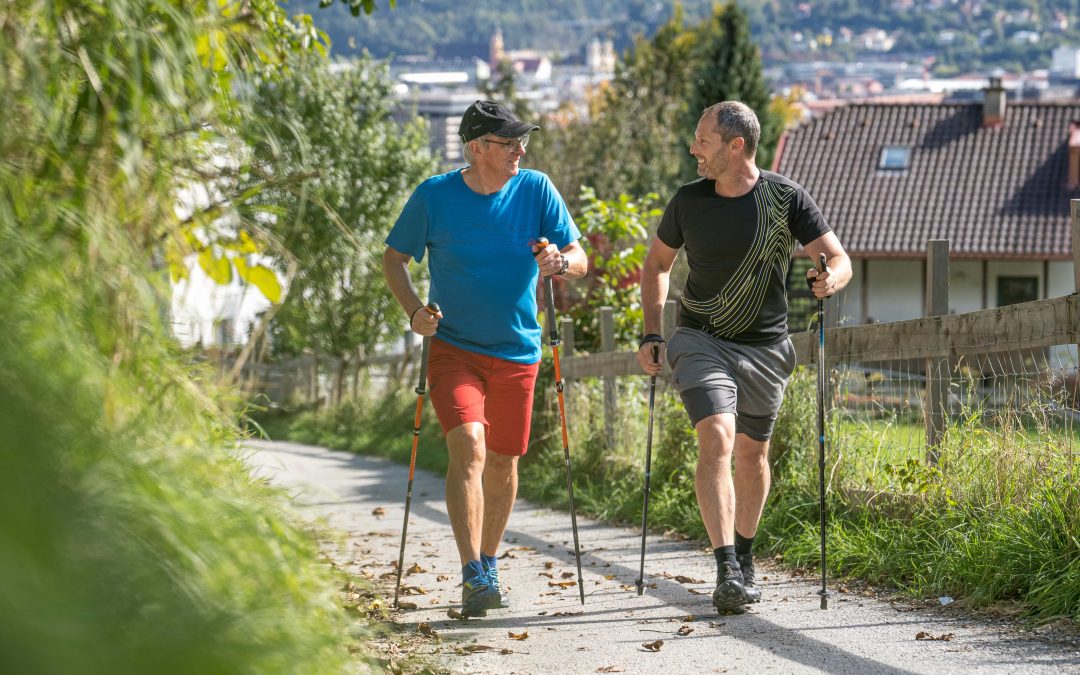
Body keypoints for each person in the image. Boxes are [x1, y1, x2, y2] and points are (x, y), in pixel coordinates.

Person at [635, 100, 851, 615]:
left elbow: (839, 258)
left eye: (702, 141)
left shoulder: (786, 197)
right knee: (716, 437)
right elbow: (656, 266)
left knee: (752, 457)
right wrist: (651, 332)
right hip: (699, 338)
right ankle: (727, 566)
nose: (693, 150)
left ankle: (747, 556)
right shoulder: (688, 201)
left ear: (736, 146)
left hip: (767, 347)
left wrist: (830, 279)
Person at [383, 100, 587, 618]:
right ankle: (473, 571)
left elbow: (579, 258)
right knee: (469, 446)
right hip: (454, 348)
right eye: (509, 142)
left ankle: (490, 562)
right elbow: (394, 259)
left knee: (503, 460)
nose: (521, 149)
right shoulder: (435, 196)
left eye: (523, 141)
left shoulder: (536, 188)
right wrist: (413, 313)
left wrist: (560, 261)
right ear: (476, 149)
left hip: (519, 350)